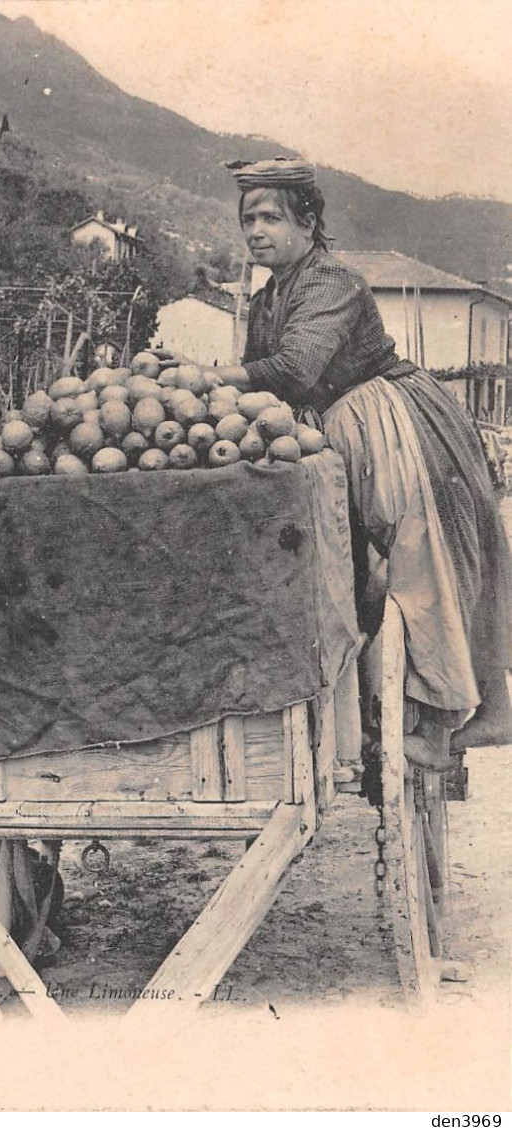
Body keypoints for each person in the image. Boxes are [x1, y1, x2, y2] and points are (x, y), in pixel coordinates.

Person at [202, 156, 512, 772]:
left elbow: (294, 370)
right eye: (248, 220)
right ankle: (398, 704)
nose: (256, 231)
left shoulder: (331, 282)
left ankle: (442, 722)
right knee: (361, 571)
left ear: (308, 221)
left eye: (271, 217)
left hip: (393, 422)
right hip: (339, 426)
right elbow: (262, 384)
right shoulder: (267, 298)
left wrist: (201, 377)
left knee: (422, 563)